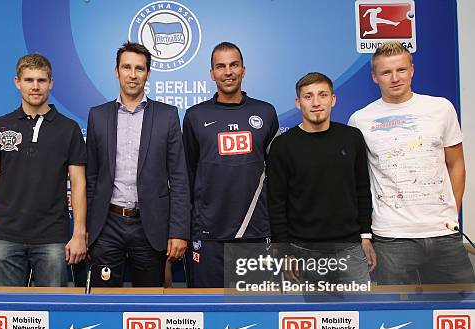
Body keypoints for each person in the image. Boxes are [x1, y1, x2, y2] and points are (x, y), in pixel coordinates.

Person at [348, 42, 474, 284]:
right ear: (375, 77)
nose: (395, 78)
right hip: (391, 236)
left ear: (412, 70)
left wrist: (452, 212)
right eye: (386, 72)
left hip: (443, 232)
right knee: (394, 312)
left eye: (401, 70)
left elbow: (456, 164)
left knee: (462, 311)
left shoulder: (441, 108)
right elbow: (359, 180)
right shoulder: (360, 119)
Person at [0, 53, 87, 287]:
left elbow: (78, 184)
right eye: (29, 80)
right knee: (5, 313)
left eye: (41, 80)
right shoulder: (0, 126)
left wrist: (78, 233)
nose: (35, 87)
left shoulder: (69, 129)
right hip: (5, 236)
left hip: (52, 239)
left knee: (54, 311)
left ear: (51, 83)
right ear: (17, 82)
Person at [86, 42, 190, 287]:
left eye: (139, 69)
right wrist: (88, 229)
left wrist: (178, 231)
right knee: (103, 302)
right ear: (116, 71)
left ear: (148, 73)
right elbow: (91, 177)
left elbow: (179, 178)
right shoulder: (98, 116)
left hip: (150, 226)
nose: (133, 75)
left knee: (150, 304)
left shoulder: (167, 115)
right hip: (107, 225)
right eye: (127, 67)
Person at [182, 42, 279, 288]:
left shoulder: (265, 112)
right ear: (212, 73)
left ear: (243, 70)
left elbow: (276, 175)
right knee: (207, 313)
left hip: (255, 234)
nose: (228, 72)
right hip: (209, 235)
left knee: (255, 315)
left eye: (234, 65)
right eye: (221, 66)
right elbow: (188, 175)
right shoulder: (195, 116)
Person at [267, 72, 375, 285]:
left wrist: (366, 236)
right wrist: (286, 252)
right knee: (303, 317)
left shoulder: (352, 138)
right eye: (308, 97)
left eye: (323, 95)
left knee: (362, 315)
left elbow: (363, 189)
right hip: (301, 251)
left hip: (350, 248)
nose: (316, 103)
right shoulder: (282, 146)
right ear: (298, 103)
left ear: (333, 99)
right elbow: (276, 203)